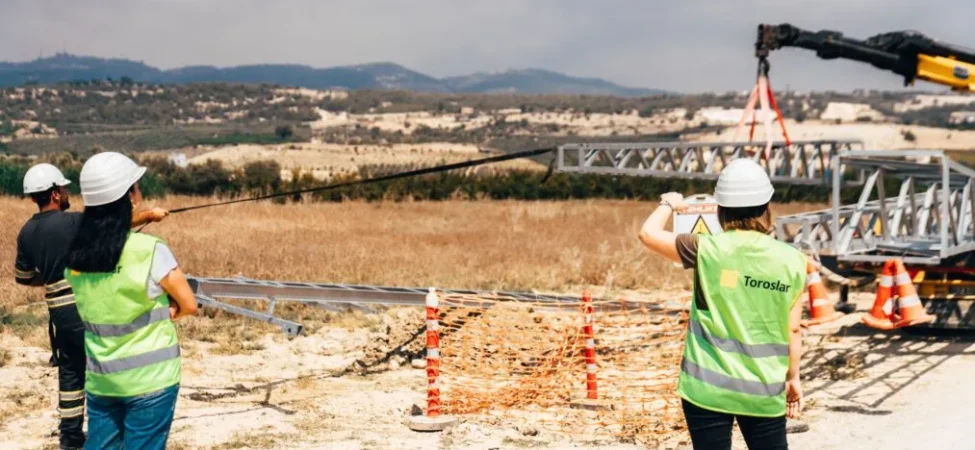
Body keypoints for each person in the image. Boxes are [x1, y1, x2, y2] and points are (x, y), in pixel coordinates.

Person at [637, 158, 806, 450]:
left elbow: (647, 234)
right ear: (767, 208)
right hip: (763, 388)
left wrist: (669, 203)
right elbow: (793, 331)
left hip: (705, 388)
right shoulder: (792, 260)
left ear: (720, 210)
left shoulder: (704, 248)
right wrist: (793, 378)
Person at [14, 163, 169, 450]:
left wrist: (51, 276)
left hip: (58, 312)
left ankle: (70, 436)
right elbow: (108, 227)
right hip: (83, 305)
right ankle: (117, 430)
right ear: (55, 194)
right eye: (64, 188)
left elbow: (24, 277)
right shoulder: (71, 222)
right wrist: (149, 215)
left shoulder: (26, 232)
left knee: (71, 371)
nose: (68, 191)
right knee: (103, 366)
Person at [63, 152, 198, 450]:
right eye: (136, 187)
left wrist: (147, 216)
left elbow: (105, 232)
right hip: (152, 379)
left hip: (102, 379)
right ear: (130, 197)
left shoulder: (76, 256)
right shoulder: (149, 250)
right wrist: (171, 311)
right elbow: (189, 304)